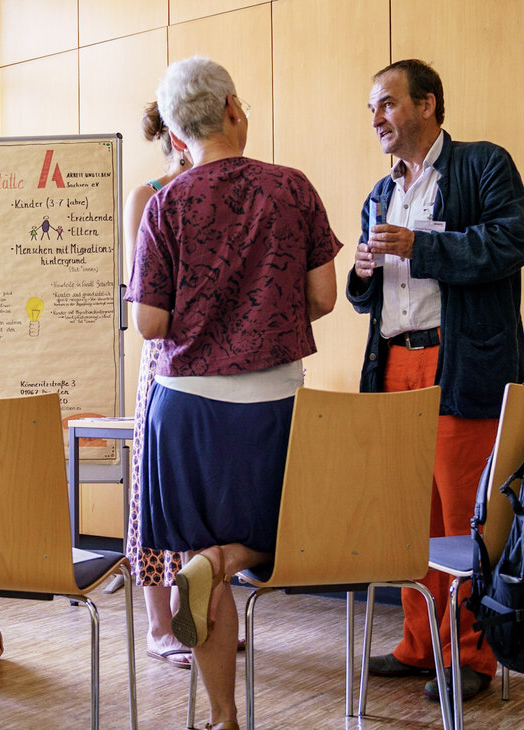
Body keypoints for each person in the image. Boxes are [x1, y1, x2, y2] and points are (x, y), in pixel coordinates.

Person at [124, 56, 340, 730]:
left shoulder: (165, 202)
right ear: (234, 110)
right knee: (272, 538)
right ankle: (222, 565)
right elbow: (324, 297)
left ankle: (223, 717)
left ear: (180, 131)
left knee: (201, 560)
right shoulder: (291, 188)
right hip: (271, 399)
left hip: (184, 404)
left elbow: (150, 323)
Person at [351, 59, 524, 703]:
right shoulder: (381, 191)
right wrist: (365, 272)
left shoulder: (483, 163)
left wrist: (419, 248)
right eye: (372, 107)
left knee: (466, 517)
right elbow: (371, 297)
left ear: (426, 104)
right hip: (395, 365)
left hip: (465, 366)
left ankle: (472, 657)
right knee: (407, 516)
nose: (376, 118)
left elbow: (515, 240)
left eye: (386, 104)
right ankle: (420, 642)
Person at [123, 100, 192, 670]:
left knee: (201, 489)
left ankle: (195, 614)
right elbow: (143, 290)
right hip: (165, 355)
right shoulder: (149, 195)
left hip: (215, 361)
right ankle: (158, 625)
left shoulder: (227, 188)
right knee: (154, 485)